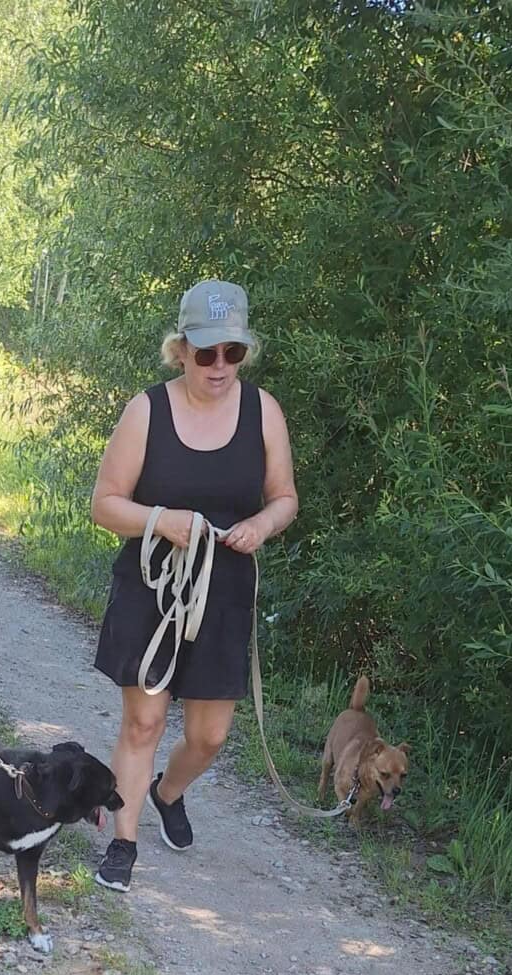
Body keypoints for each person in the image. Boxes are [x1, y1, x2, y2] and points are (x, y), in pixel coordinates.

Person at [90, 279, 297, 891]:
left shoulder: (264, 411)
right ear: (180, 349)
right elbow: (104, 505)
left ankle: (167, 792)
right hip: (152, 585)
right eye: (206, 352)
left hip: (224, 591)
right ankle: (122, 844)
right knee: (143, 724)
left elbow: (284, 498)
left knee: (209, 737)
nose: (219, 365)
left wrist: (261, 525)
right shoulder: (146, 411)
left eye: (233, 352)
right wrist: (162, 520)